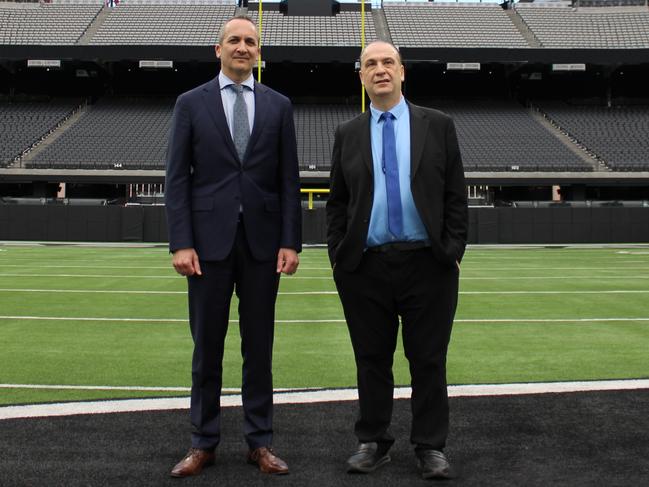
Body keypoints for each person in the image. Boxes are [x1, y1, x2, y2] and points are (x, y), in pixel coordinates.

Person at [165, 15, 301, 478]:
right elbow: (177, 177)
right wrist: (180, 242)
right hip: (207, 245)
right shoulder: (190, 103)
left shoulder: (280, 105)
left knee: (258, 347)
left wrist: (291, 241)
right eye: (234, 40)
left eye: (251, 41)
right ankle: (203, 442)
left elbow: (288, 179)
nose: (243, 47)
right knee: (207, 348)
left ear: (258, 52)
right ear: (217, 49)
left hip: (263, 245)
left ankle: (259, 442)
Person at [326, 40, 468, 480]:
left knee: (428, 358)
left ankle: (430, 445)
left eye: (388, 62)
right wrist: (339, 256)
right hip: (366, 266)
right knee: (371, 358)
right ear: (362, 76)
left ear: (402, 72)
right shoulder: (347, 133)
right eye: (371, 64)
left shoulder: (438, 124)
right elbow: (337, 203)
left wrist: (451, 250)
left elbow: (455, 195)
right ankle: (373, 441)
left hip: (427, 262)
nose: (380, 70)